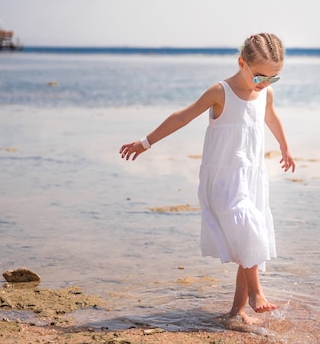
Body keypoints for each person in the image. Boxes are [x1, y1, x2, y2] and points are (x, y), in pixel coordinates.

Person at [119, 33, 295, 324]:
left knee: (250, 240)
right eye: (260, 77)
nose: (265, 84)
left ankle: (236, 312)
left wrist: (285, 148)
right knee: (247, 229)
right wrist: (145, 142)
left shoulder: (265, 93)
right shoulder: (220, 92)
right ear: (242, 63)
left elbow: (272, 118)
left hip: (251, 175)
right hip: (224, 178)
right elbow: (182, 117)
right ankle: (256, 293)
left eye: (273, 79)